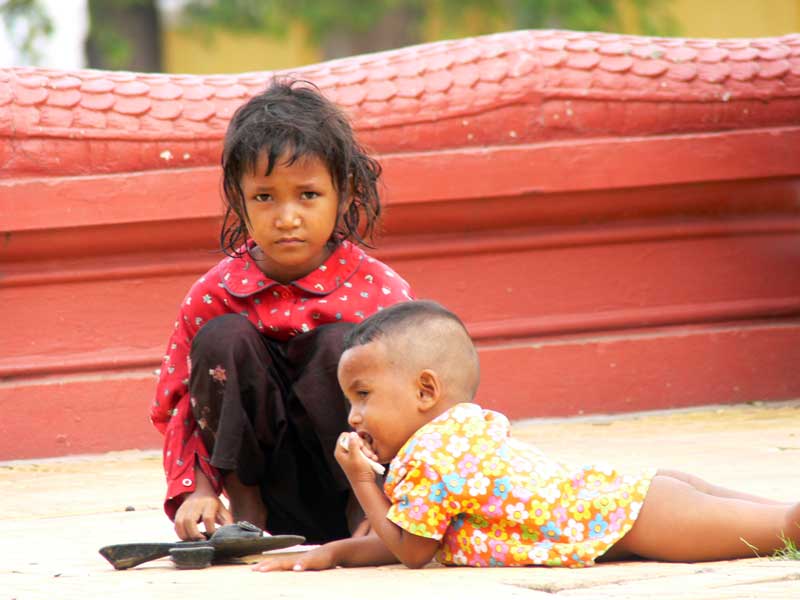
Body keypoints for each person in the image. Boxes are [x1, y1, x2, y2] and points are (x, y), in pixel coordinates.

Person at [255, 300, 800, 571]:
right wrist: (335, 553)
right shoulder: (460, 430)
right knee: (776, 517)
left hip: (638, 521)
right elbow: (410, 535)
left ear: (425, 390)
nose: (353, 417)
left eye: (363, 396)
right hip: (638, 496)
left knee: (783, 530)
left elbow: (412, 551)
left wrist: (360, 480)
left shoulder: (431, 457)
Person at [149, 79, 414, 544]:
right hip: (263, 495)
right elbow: (180, 403)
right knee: (223, 337)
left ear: (345, 194)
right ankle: (246, 512)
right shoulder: (214, 294)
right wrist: (198, 490)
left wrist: (405, 502)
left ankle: (362, 511)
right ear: (239, 199)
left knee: (344, 344)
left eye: (308, 195)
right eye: (265, 197)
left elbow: (419, 404)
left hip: (365, 493)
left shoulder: (380, 292)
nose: (287, 217)